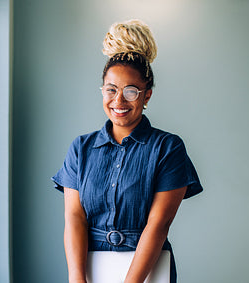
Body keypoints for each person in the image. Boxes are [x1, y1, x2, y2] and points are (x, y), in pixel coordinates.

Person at [51, 19, 203, 283]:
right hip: (90, 265)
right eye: (111, 89)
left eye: (131, 91)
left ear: (147, 96)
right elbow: (74, 217)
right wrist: (77, 278)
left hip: (148, 269)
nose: (118, 100)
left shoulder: (167, 148)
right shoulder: (81, 148)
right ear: (102, 91)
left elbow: (158, 224)